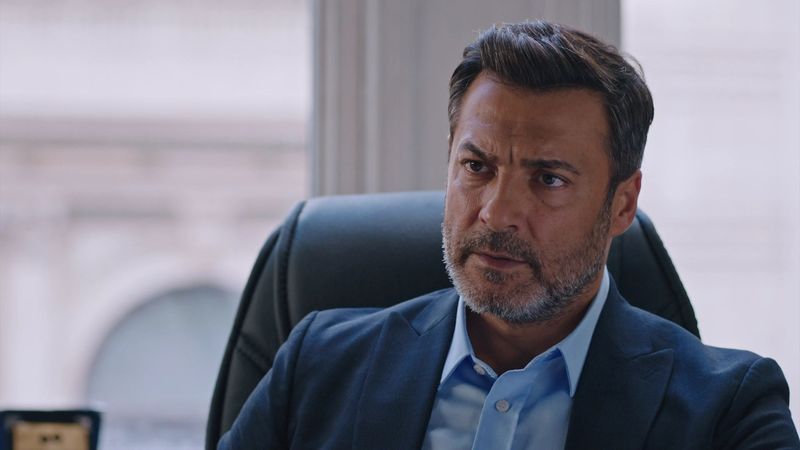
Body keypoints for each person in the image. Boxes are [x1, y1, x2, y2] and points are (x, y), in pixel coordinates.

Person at [218, 20, 799, 449]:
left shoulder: (730, 411)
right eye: (477, 167)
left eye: (548, 179)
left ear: (622, 204)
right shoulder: (318, 367)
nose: (497, 215)